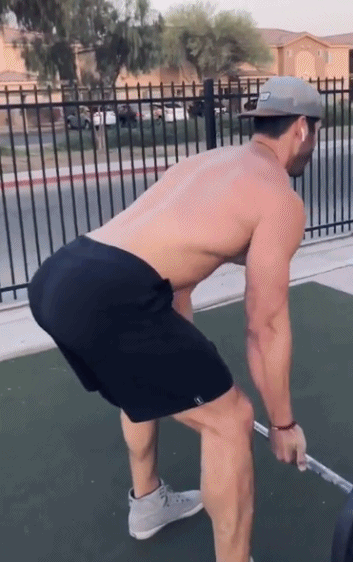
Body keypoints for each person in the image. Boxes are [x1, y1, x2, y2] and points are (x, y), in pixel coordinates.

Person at [27, 76, 323, 562]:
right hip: (110, 295)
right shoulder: (280, 199)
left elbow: (172, 281)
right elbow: (265, 326)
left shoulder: (208, 163)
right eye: (314, 132)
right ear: (303, 129)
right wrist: (283, 423)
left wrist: (186, 360)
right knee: (231, 420)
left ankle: (147, 505)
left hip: (59, 276)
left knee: (139, 377)